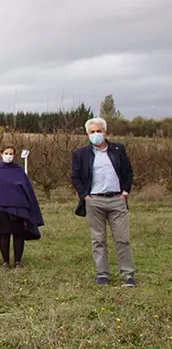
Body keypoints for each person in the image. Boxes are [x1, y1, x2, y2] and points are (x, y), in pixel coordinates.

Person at [71, 117, 135, 287]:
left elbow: (128, 171)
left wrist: (125, 192)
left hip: (116, 199)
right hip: (95, 201)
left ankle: (128, 274)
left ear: (105, 132)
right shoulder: (80, 154)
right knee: (98, 240)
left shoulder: (117, 149)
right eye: (92, 132)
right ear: (87, 134)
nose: (96, 134)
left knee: (122, 239)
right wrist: (85, 195)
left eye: (99, 131)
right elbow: (75, 176)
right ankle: (102, 274)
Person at [0, 145, 44, 269]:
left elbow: (27, 189)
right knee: (5, 234)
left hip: (18, 208)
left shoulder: (19, 170)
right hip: (1, 208)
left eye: (11, 153)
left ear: (14, 155)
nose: (8, 156)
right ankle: (5, 261)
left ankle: (18, 261)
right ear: (1, 154)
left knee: (18, 234)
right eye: (6, 153)